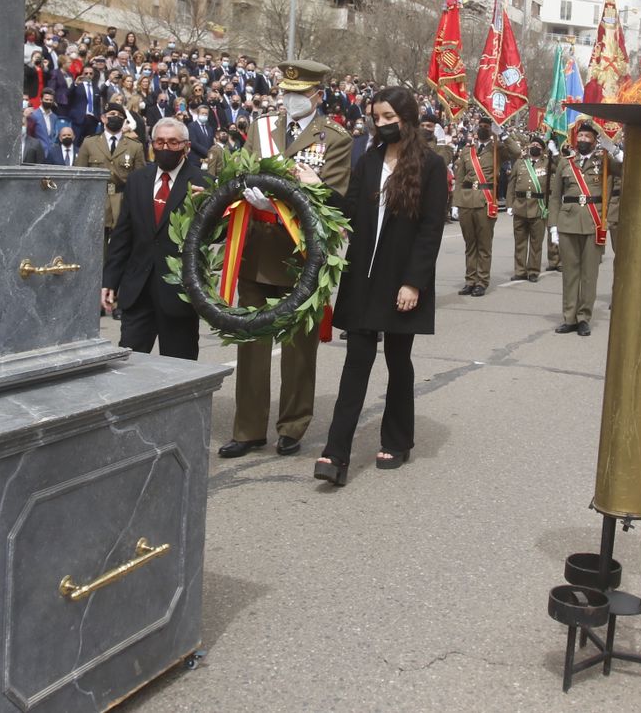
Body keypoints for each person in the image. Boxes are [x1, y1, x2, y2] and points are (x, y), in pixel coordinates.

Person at [315, 88, 448, 486]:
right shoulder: (369, 160)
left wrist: (413, 283)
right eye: (376, 116)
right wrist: (314, 186)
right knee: (355, 364)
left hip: (400, 281)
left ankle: (397, 439)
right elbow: (350, 209)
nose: (382, 123)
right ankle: (335, 453)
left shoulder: (431, 165)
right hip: (363, 280)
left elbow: (430, 231)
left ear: (406, 117)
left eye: (389, 116)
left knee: (397, 360)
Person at [220, 59, 352, 460]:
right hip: (257, 248)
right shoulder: (261, 128)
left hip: (301, 255)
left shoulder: (334, 137)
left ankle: (292, 425)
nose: (290, 100)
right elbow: (239, 170)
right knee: (252, 343)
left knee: (298, 349)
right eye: (285, 93)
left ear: (317, 95)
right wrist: (246, 191)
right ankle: (248, 428)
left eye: (298, 94)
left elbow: (331, 194)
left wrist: (282, 201)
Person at [101, 118, 206, 360]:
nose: (166, 148)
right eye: (160, 142)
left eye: (173, 142)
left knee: (179, 366)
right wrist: (110, 280)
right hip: (138, 291)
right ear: (152, 144)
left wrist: (207, 205)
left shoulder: (202, 183)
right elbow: (122, 235)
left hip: (179, 294)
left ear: (186, 146)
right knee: (129, 366)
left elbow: (216, 235)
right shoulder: (138, 180)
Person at [551, 119, 613, 336]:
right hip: (567, 222)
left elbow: (625, 168)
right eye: (581, 136)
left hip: (592, 222)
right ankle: (569, 317)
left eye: (588, 137)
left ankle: (584, 317)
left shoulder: (604, 161)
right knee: (570, 273)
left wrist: (612, 147)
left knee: (589, 274)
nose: (583, 140)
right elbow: (555, 196)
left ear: (595, 140)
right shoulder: (565, 162)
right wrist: (553, 227)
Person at [451, 112, 521, 296]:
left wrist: (503, 133)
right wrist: (455, 203)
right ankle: (470, 280)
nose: (483, 128)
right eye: (481, 125)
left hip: (485, 201)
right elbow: (459, 179)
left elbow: (517, 152)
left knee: (484, 244)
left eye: (487, 126)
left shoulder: (498, 149)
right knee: (470, 243)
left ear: (492, 129)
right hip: (466, 200)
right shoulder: (467, 151)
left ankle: (482, 281)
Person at [78, 105, 145, 249]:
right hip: (96, 201)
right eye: (112, 114)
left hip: (122, 201)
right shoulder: (89, 143)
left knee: (120, 248)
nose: (116, 117)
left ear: (124, 121)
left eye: (120, 116)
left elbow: (141, 181)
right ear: (103, 118)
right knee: (94, 248)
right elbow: (79, 176)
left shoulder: (135, 146)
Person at [509, 135, 551, 282]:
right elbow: (511, 184)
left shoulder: (547, 164)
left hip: (538, 207)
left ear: (543, 149)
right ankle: (520, 270)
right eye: (533, 144)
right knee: (520, 241)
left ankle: (533, 271)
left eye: (538, 146)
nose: (535, 147)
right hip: (520, 206)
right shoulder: (520, 163)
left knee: (536, 242)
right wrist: (509, 204)